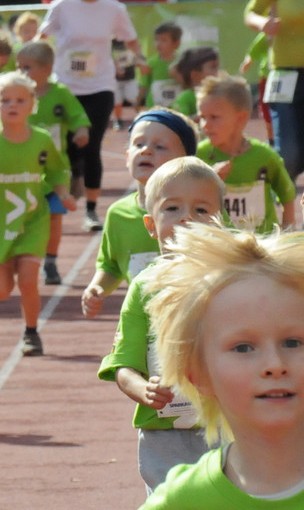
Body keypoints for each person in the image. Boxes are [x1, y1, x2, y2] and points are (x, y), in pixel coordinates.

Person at [140, 223, 304, 507]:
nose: (274, 365)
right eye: (243, 347)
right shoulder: (182, 501)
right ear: (198, 375)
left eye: (293, 342)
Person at [98, 157, 224, 493]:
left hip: (230, 427)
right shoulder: (143, 288)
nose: (186, 217)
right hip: (165, 435)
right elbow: (123, 366)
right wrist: (144, 390)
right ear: (151, 224)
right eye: (172, 208)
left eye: (201, 209)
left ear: (221, 221)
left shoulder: (233, 282)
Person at [0, 72, 76, 356]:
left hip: (33, 222)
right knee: (0, 291)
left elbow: (57, 170)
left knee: (28, 280)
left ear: (32, 105)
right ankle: (9, 265)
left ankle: (31, 332)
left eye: (20, 100)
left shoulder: (41, 140)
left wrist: (63, 193)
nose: (13, 105)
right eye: (6, 100)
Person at [37, 0, 144, 232]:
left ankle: (91, 211)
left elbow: (130, 39)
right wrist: (32, 60)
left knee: (92, 145)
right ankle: (69, 182)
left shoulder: (113, 9)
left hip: (100, 86)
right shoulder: (62, 7)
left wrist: (140, 58)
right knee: (68, 147)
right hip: (66, 87)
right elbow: (42, 38)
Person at [81, 109, 198, 319]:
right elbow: (111, 266)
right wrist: (96, 288)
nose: (146, 151)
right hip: (139, 322)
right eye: (138, 144)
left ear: (185, 160)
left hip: (189, 319)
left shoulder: (199, 210)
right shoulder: (118, 214)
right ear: (128, 157)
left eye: (160, 146)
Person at [16, 41, 90, 286]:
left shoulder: (60, 94)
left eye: (27, 67)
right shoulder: (18, 96)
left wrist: (81, 130)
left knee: (55, 218)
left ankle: (50, 261)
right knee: (26, 218)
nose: (21, 72)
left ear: (47, 69)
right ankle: (25, 257)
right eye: (18, 67)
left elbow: (78, 115)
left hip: (55, 170)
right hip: (24, 170)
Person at [245, 0, 304, 180]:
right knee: (289, 155)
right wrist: (263, 23)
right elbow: (251, 12)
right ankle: (282, 202)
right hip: (284, 74)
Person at [196, 73, 295, 233]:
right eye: (202, 117)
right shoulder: (198, 156)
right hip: (217, 243)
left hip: (262, 243)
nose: (205, 125)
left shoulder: (264, 156)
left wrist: (288, 230)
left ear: (240, 118)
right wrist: (210, 180)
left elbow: (287, 194)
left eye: (214, 117)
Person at [140, 22, 182, 109]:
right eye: (156, 39)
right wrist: (137, 101)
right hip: (154, 106)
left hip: (175, 107)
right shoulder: (151, 62)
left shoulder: (182, 62)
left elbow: (188, 85)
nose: (158, 44)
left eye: (163, 40)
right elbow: (145, 84)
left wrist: (176, 75)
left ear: (176, 43)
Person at [170, 47, 220, 117]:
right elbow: (180, 120)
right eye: (213, 67)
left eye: (218, 67)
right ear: (195, 75)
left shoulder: (218, 95)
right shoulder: (185, 97)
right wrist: (203, 117)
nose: (219, 72)